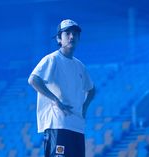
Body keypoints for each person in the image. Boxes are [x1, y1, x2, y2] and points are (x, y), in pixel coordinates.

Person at [28, 19, 95, 157]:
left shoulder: (80, 66)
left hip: (77, 126)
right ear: (59, 38)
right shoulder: (52, 59)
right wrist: (55, 100)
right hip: (58, 123)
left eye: (75, 34)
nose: (72, 36)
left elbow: (92, 89)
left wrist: (84, 107)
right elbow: (33, 79)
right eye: (67, 33)